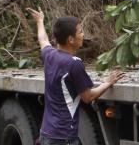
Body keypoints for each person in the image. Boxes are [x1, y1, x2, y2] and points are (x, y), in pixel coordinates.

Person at [28, 8, 124, 145]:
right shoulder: (74, 64)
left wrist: (40, 21)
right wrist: (108, 82)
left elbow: (43, 40)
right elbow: (88, 97)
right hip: (63, 137)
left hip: (46, 133)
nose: (83, 35)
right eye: (80, 32)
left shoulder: (49, 55)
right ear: (70, 39)